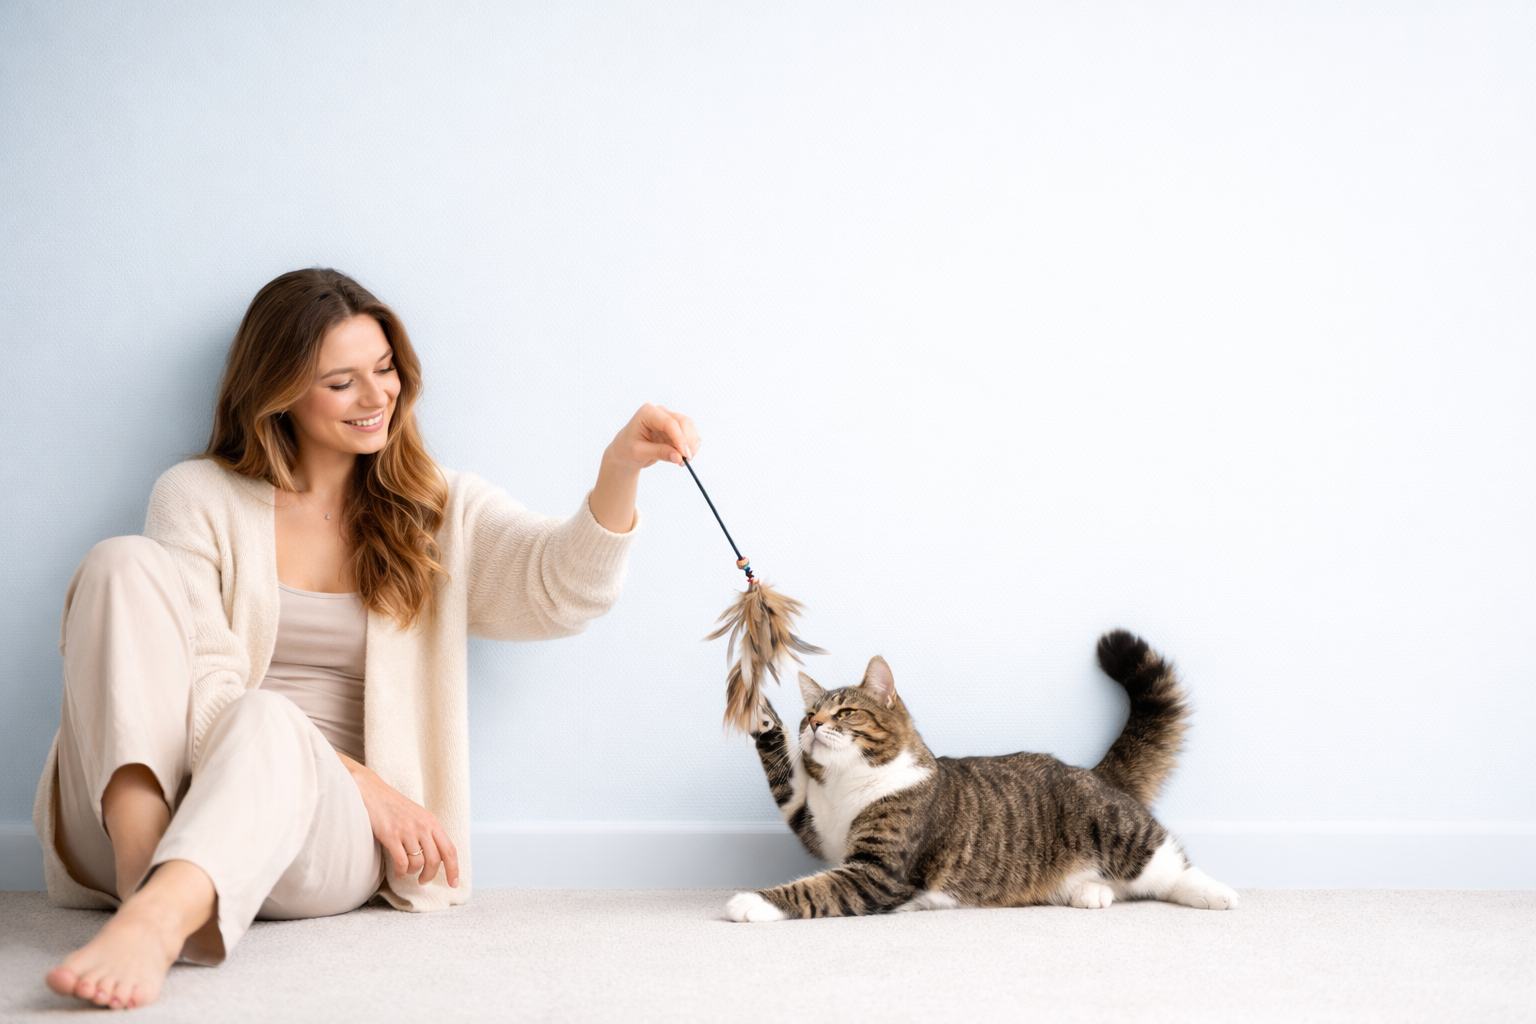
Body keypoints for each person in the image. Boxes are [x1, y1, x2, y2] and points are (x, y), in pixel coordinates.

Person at [35, 268, 700, 1009]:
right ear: (280, 390)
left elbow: (561, 591)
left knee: (266, 716)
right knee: (120, 562)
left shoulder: (434, 508)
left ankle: (159, 920)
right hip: (157, 802)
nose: (378, 395)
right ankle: (145, 879)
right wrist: (370, 783)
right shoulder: (197, 495)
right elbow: (207, 682)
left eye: (385, 370)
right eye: (341, 381)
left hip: (321, 836)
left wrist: (619, 470)